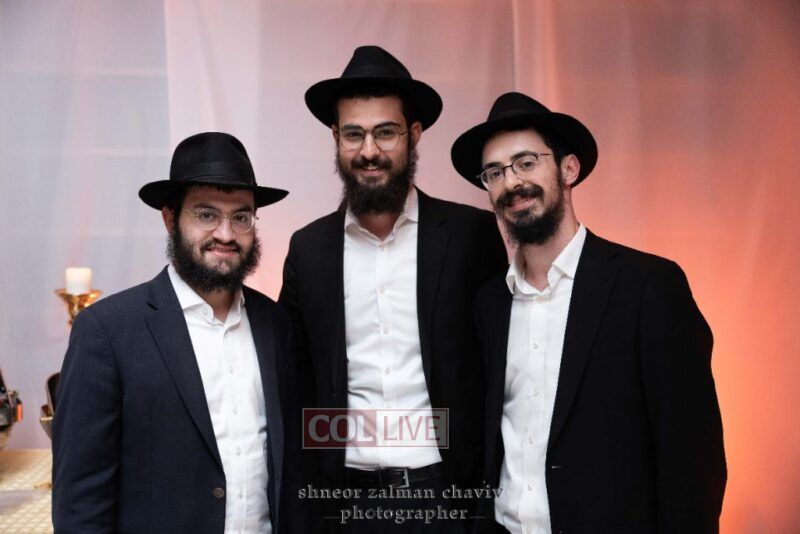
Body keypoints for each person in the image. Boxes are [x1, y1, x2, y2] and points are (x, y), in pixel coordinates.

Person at [451, 92, 727, 533]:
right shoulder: (488, 303)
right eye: (495, 173)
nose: (511, 182)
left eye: (526, 162)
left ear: (568, 169)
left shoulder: (648, 286)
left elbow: (693, 458)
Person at [279, 46, 507, 533]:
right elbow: (293, 381)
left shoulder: (471, 235)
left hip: (448, 495)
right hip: (342, 503)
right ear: (336, 137)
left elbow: (501, 367)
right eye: (354, 134)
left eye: (386, 132)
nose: (369, 151)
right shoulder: (308, 250)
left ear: (414, 134)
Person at [52, 132, 305, 533]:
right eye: (206, 215)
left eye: (241, 217)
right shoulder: (106, 331)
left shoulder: (275, 323)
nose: (226, 234)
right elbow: (81, 500)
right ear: (170, 219)